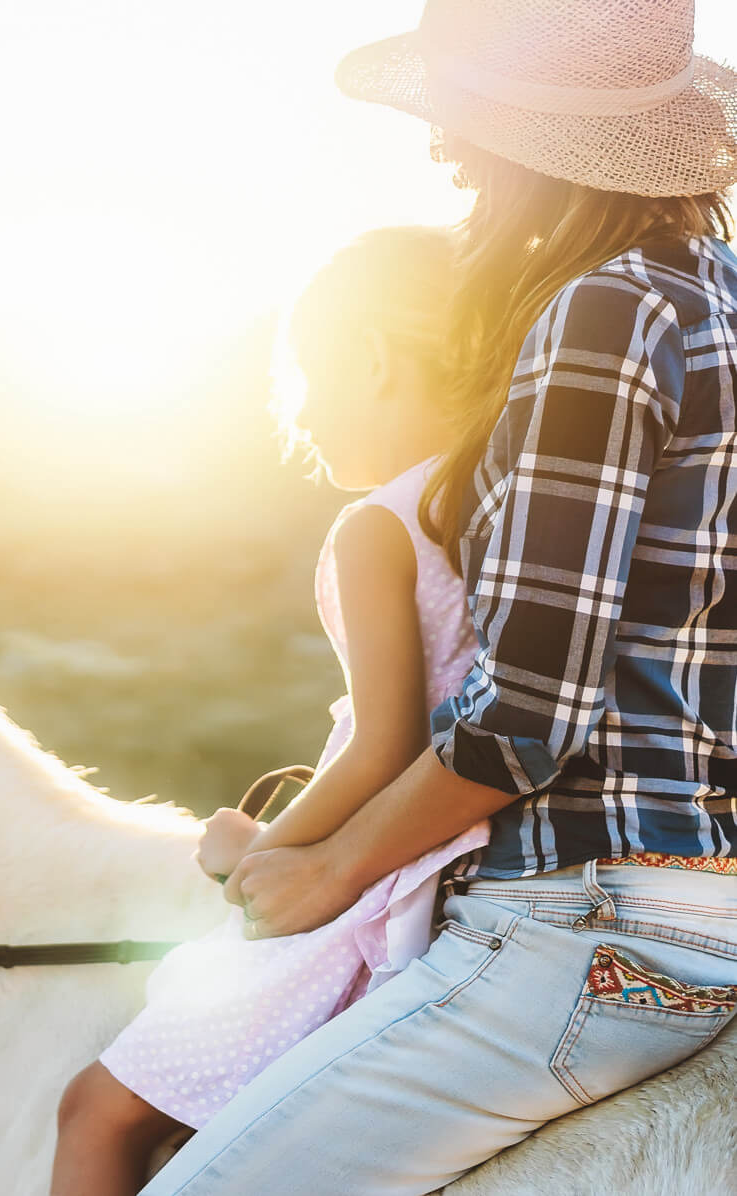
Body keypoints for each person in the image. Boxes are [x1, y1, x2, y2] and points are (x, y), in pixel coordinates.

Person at [135, 1, 737, 1193]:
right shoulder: (716, 296)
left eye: (462, 120)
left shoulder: (602, 313)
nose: (442, 152)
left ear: (531, 135)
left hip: (584, 921)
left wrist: (329, 867)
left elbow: (529, 709)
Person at [50, 225, 487, 1196]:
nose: (300, 416)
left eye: (304, 381)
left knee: (96, 1111)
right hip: (466, 847)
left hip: (384, 872)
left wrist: (257, 852)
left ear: (371, 358)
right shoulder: (499, 499)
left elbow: (384, 744)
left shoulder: (378, 524)